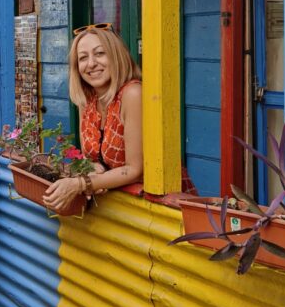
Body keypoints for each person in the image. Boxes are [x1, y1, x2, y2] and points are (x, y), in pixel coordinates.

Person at [43, 23, 196, 212]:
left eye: (100, 53)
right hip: (118, 207)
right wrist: (94, 169)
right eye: (83, 58)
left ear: (116, 56)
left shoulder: (132, 94)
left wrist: (81, 183)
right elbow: (93, 159)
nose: (91, 63)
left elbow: (134, 170)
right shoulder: (87, 101)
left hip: (161, 207)